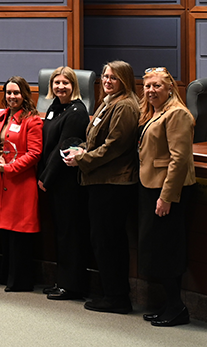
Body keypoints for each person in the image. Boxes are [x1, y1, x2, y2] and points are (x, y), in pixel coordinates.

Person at [65, 60, 140, 315]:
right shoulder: (107, 102)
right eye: (105, 77)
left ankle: (116, 297)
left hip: (113, 184)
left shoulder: (126, 106)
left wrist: (82, 159)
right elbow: (96, 139)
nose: (107, 81)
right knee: (104, 240)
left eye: (113, 78)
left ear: (125, 81)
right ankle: (112, 293)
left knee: (108, 241)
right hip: (101, 180)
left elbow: (114, 147)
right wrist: (82, 149)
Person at [136, 67, 194, 327]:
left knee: (167, 250)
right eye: (148, 86)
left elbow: (179, 159)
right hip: (152, 188)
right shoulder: (157, 112)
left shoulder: (177, 113)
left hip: (168, 191)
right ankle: (169, 305)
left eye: (157, 86)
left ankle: (177, 308)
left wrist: (167, 196)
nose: (151, 91)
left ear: (170, 87)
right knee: (157, 250)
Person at [36, 67, 90, 300]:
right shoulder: (55, 107)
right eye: (56, 82)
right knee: (61, 233)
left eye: (65, 83)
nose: (60, 87)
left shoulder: (77, 111)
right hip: (54, 180)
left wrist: (45, 178)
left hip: (66, 182)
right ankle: (62, 280)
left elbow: (64, 147)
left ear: (74, 86)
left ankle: (72, 285)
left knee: (70, 234)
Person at [0, 76, 42, 292]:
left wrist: (9, 168)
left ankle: (20, 281)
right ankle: (6, 275)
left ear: (25, 95)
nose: (12, 97)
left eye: (16, 93)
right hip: (1, 182)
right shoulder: (0, 117)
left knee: (19, 235)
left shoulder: (33, 120)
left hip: (21, 184)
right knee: (5, 233)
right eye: (9, 93)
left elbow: (35, 153)